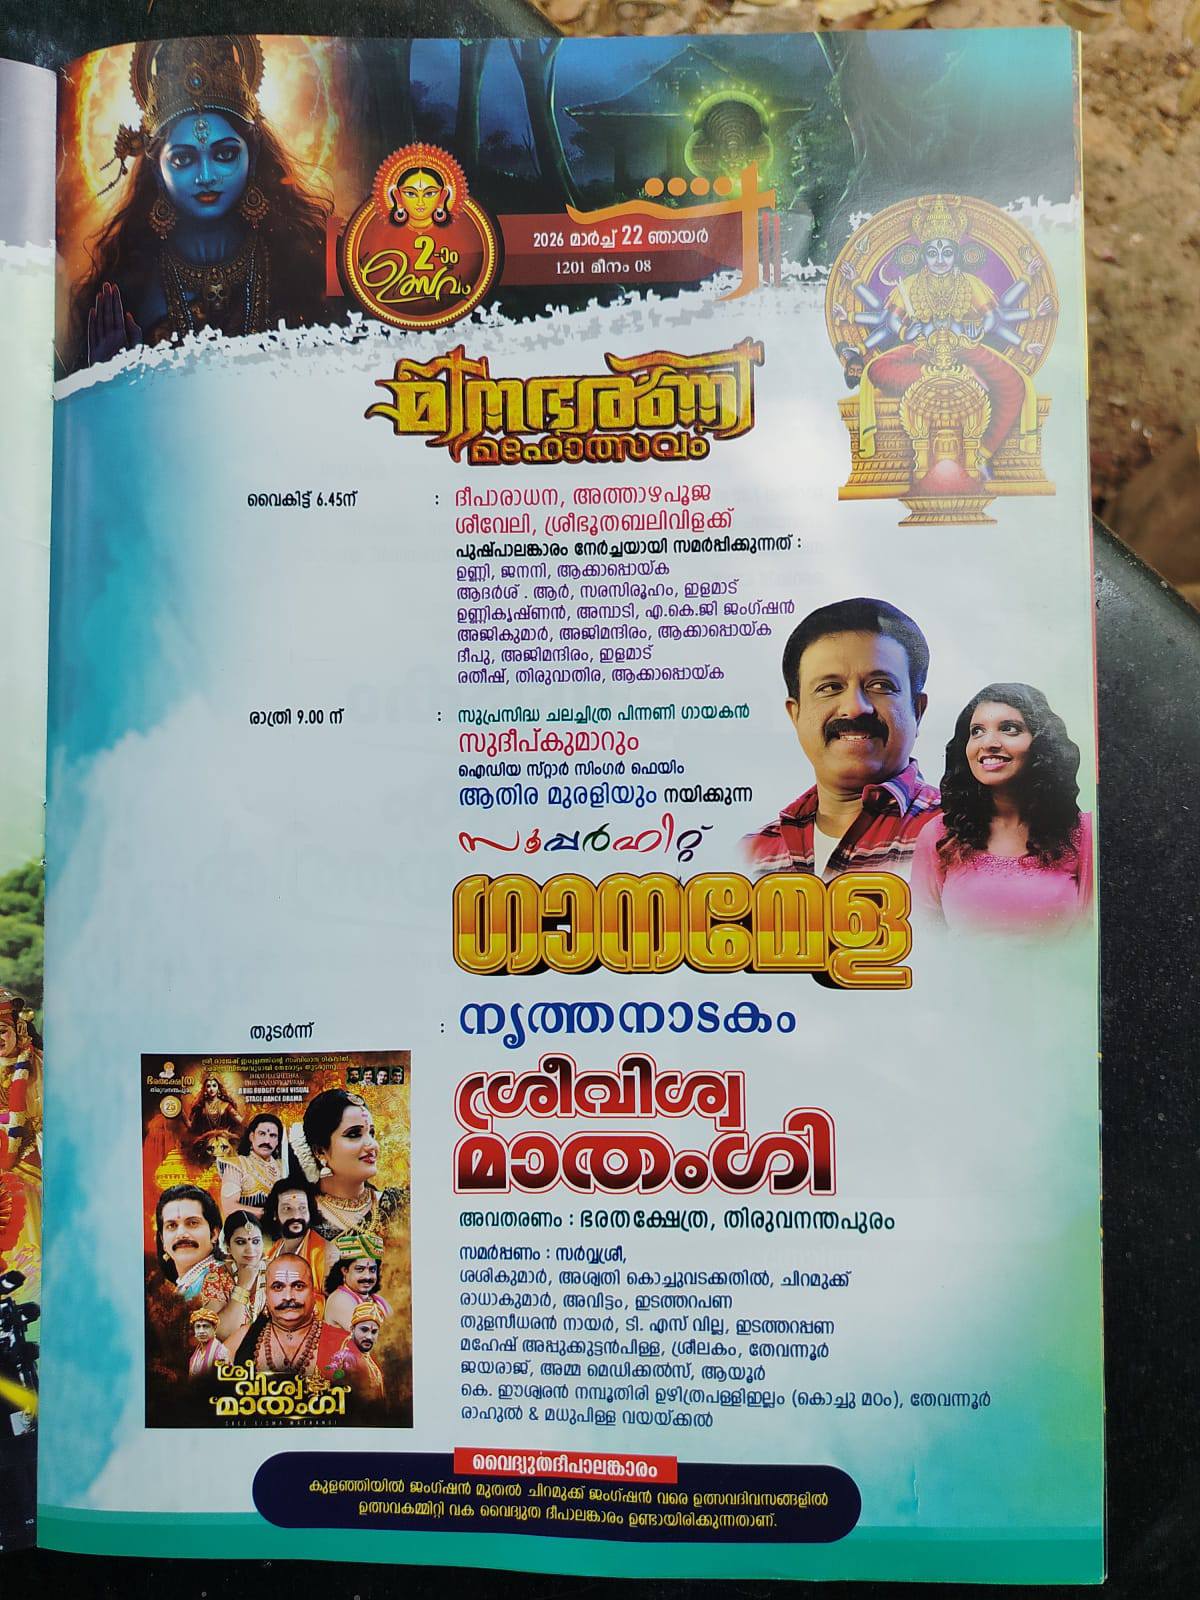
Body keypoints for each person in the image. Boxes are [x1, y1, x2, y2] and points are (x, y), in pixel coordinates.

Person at [70, 34, 330, 368]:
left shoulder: (305, 260)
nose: (206, 175)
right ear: (155, 166)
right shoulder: (129, 284)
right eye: (182, 160)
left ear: (252, 155)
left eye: (224, 154)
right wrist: (108, 377)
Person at [853, 195, 1048, 484]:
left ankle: (982, 454)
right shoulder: (909, 284)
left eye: (947, 253)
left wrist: (972, 329)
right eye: (933, 253)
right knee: (876, 369)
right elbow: (893, 320)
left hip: (964, 349)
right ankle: (942, 380)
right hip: (922, 351)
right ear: (924, 255)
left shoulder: (969, 282)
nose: (940, 259)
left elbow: (992, 318)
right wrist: (910, 332)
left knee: (1015, 383)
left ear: (956, 254)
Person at [742, 598, 940, 881]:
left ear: (917, 711)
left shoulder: (963, 836)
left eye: (881, 685)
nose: (856, 707)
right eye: (830, 687)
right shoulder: (751, 856)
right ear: (794, 714)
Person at [911, 682, 1093, 935]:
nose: (988, 743)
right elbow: (924, 938)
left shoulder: (1083, 833)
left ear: (1042, 743)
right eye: (977, 731)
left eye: (1009, 729)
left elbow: (1090, 940)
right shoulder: (940, 835)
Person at [289, 1089, 406, 1250]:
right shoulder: (299, 1217)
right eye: (354, 1134)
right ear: (320, 1151)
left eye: (371, 1133)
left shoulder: (399, 1205)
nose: (372, 1145)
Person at [234, 1254, 343, 1377]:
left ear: (313, 1293)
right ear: (266, 1295)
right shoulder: (242, 1338)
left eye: (298, 1286)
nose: (288, 1297)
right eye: (278, 1287)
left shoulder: (343, 1344)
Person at [153, 1183, 233, 1310]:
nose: (181, 1234)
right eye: (172, 1225)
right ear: (163, 1240)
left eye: (192, 1223)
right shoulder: (187, 1284)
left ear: (214, 1234)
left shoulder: (216, 1280)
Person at [260, 1176, 330, 1291]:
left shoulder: (324, 1253)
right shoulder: (274, 1251)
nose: (296, 1215)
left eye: (302, 1208)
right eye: (287, 1208)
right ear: (274, 1214)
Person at [219, 1112, 285, 1220]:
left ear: (278, 1141)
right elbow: (229, 1208)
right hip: (245, 1233)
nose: (267, 1141)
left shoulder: (284, 1167)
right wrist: (268, 1213)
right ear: (251, 1136)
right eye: (262, 1134)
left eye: (273, 1136)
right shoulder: (236, 1165)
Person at [323, 1230, 390, 1332]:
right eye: (360, 1269)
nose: (367, 1276)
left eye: (372, 1270)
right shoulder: (340, 1299)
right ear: (345, 1270)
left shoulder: (379, 1301)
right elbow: (370, 1339)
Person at [216, 1209, 266, 1346]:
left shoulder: (275, 1272)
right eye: (240, 1242)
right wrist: (243, 1286)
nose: (250, 1249)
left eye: (256, 1241)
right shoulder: (216, 1277)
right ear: (228, 1246)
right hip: (231, 1357)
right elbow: (222, 1334)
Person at [323, 1302, 386, 1405]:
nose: (369, 1337)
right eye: (364, 1330)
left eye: (374, 1332)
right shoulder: (350, 1359)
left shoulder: (363, 1356)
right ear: (352, 1329)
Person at [187, 1306, 230, 1378]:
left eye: (205, 1326)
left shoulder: (220, 1352)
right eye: (198, 1327)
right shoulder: (195, 1356)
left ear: (214, 1328)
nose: (201, 1331)